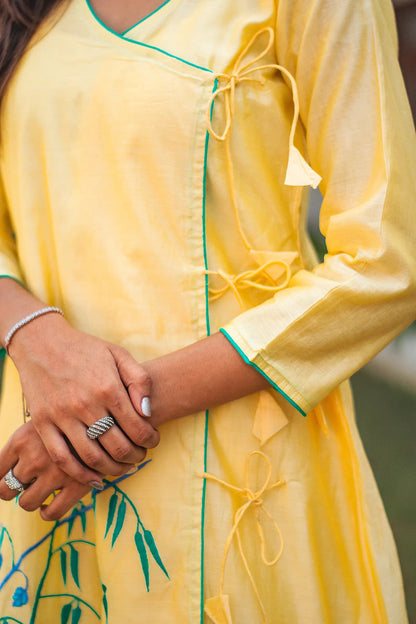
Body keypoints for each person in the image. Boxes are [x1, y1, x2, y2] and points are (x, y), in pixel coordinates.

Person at [0, 0, 414, 622]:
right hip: (44, 447)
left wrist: (110, 414)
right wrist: (34, 337)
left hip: (236, 476)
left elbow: (386, 262)